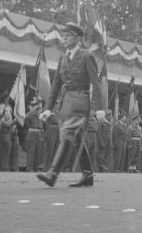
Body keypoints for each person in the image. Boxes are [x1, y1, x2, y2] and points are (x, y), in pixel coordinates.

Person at [37, 22, 103, 188]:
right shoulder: (63, 58)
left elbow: (96, 82)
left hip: (81, 101)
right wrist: (47, 108)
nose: (64, 38)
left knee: (67, 134)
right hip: (66, 103)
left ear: (78, 38)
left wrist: (100, 108)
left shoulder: (86, 56)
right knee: (75, 138)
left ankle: (52, 174)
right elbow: (56, 85)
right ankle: (88, 174)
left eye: (68, 36)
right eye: (63, 35)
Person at [25, 97, 45, 172]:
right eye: (39, 103)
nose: (40, 105)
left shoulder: (41, 113)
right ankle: (29, 168)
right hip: (32, 131)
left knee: (38, 151)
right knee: (31, 151)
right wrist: (35, 109)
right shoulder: (32, 112)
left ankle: (36, 167)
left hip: (39, 133)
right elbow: (27, 118)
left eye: (41, 103)